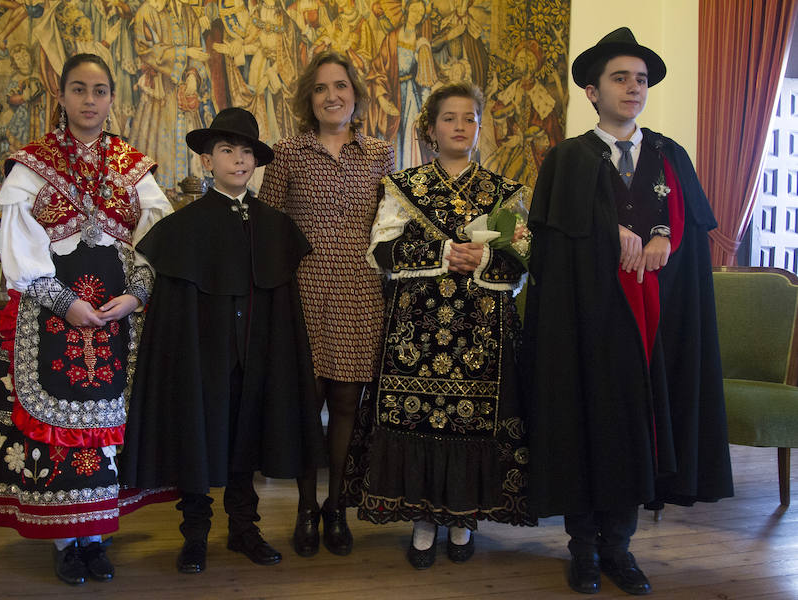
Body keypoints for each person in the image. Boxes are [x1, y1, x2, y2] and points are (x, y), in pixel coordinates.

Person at [0, 53, 176, 585]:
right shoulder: (32, 164)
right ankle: (67, 540)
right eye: (79, 89)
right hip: (51, 316)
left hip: (116, 317)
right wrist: (64, 302)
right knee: (54, 428)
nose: (89, 100)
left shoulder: (133, 167)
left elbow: (154, 240)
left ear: (113, 98)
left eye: (99, 90)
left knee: (107, 426)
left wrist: (137, 295)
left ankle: (96, 537)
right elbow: (21, 245)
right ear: (63, 96)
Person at [523, 28, 734, 595]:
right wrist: (605, 231)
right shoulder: (568, 159)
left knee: (641, 433)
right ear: (593, 91)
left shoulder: (669, 155)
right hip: (590, 324)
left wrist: (670, 236)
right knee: (588, 427)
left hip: (654, 327)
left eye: (640, 80)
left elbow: (689, 230)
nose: (633, 88)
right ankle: (584, 550)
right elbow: (552, 246)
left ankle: (620, 548)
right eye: (620, 78)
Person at [119, 107, 325, 574]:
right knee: (199, 436)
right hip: (202, 359)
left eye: (247, 151)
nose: (239, 160)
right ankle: (195, 535)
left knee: (247, 437)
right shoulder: (182, 229)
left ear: (256, 162)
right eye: (227, 150)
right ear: (207, 161)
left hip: (257, 357)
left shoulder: (275, 227)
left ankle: (243, 529)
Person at [344, 82, 537, 570]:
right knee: (417, 422)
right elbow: (380, 250)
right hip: (415, 330)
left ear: (478, 128)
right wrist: (443, 252)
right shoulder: (403, 186)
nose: (459, 127)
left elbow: (522, 260)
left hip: (481, 331)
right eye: (449, 118)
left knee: (470, 426)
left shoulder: (503, 191)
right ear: (430, 129)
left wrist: (486, 257)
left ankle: (461, 520)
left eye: (469, 118)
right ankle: (422, 521)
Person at [258, 51, 394, 558]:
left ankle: (337, 506)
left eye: (340, 86)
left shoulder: (380, 154)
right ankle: (305, 507)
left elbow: (390, 227)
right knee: (304, 407)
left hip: (360, 292)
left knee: (346, 408)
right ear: (307, 99)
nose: (332, 95)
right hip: (304, 294)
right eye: (320, 88)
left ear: (355, 94)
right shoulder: (287, 152)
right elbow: (270, 230)